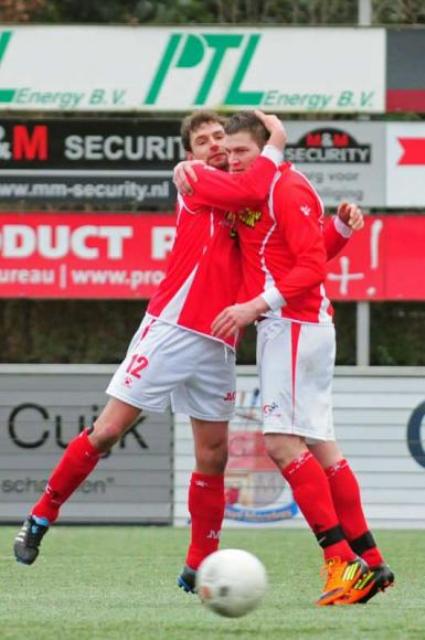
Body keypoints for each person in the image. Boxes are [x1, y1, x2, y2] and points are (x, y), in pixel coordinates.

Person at [13, 110, 287, 589]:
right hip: (172, 328)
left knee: (214, 455)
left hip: (220, 337)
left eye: (221, 136)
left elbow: (263, 203)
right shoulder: (197, 180)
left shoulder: (250, 185)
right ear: (189, 155)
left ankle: (200, 562)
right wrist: (275, 143)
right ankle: (40, 515)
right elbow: (247, 187)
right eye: (202, 141)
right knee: (107, 432)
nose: (214, 145)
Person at [175, 112, 394, 606]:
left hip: (294, 326)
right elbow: (310, 250)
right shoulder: (257, 189)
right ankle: (371, 562)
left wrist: (256, 305)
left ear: (265, 148)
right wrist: (339, 228)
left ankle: (342, 565)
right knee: (322, 448)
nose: (231, 160)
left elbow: (311, 268)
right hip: (293, 325)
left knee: (279, 443)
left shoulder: (286, 188)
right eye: (226, 152)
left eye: (241, 151)